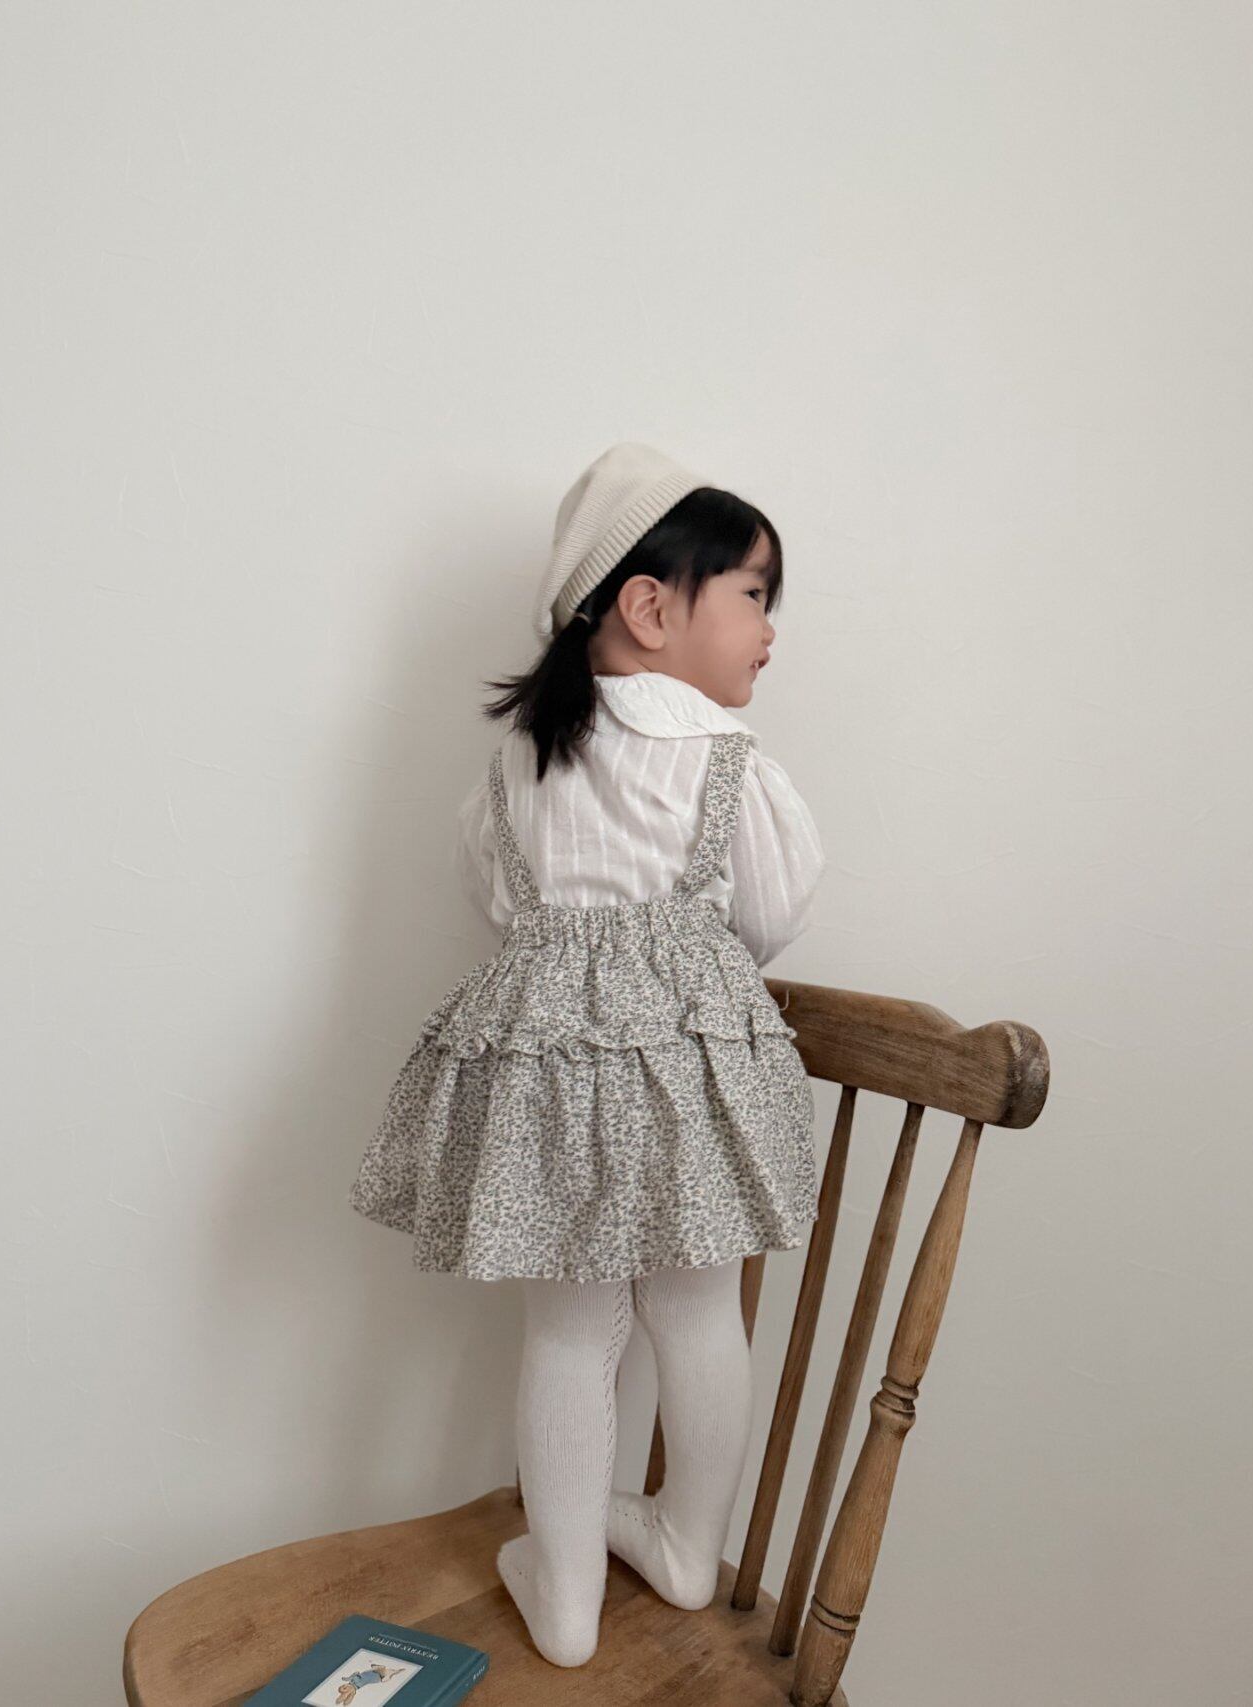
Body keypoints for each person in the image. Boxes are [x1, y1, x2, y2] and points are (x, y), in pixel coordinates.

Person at [347, 441, 827, 1668]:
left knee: (566, 1333)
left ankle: (561, 1598)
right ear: (651, 608)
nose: (769, 629)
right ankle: (686, 1545)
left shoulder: (518, 760)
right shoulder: (725, 759)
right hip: (689, 1068)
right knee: (698, 1310)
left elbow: (497, 903)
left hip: (544, 1068)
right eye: (753, 595)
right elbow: (770, 915)